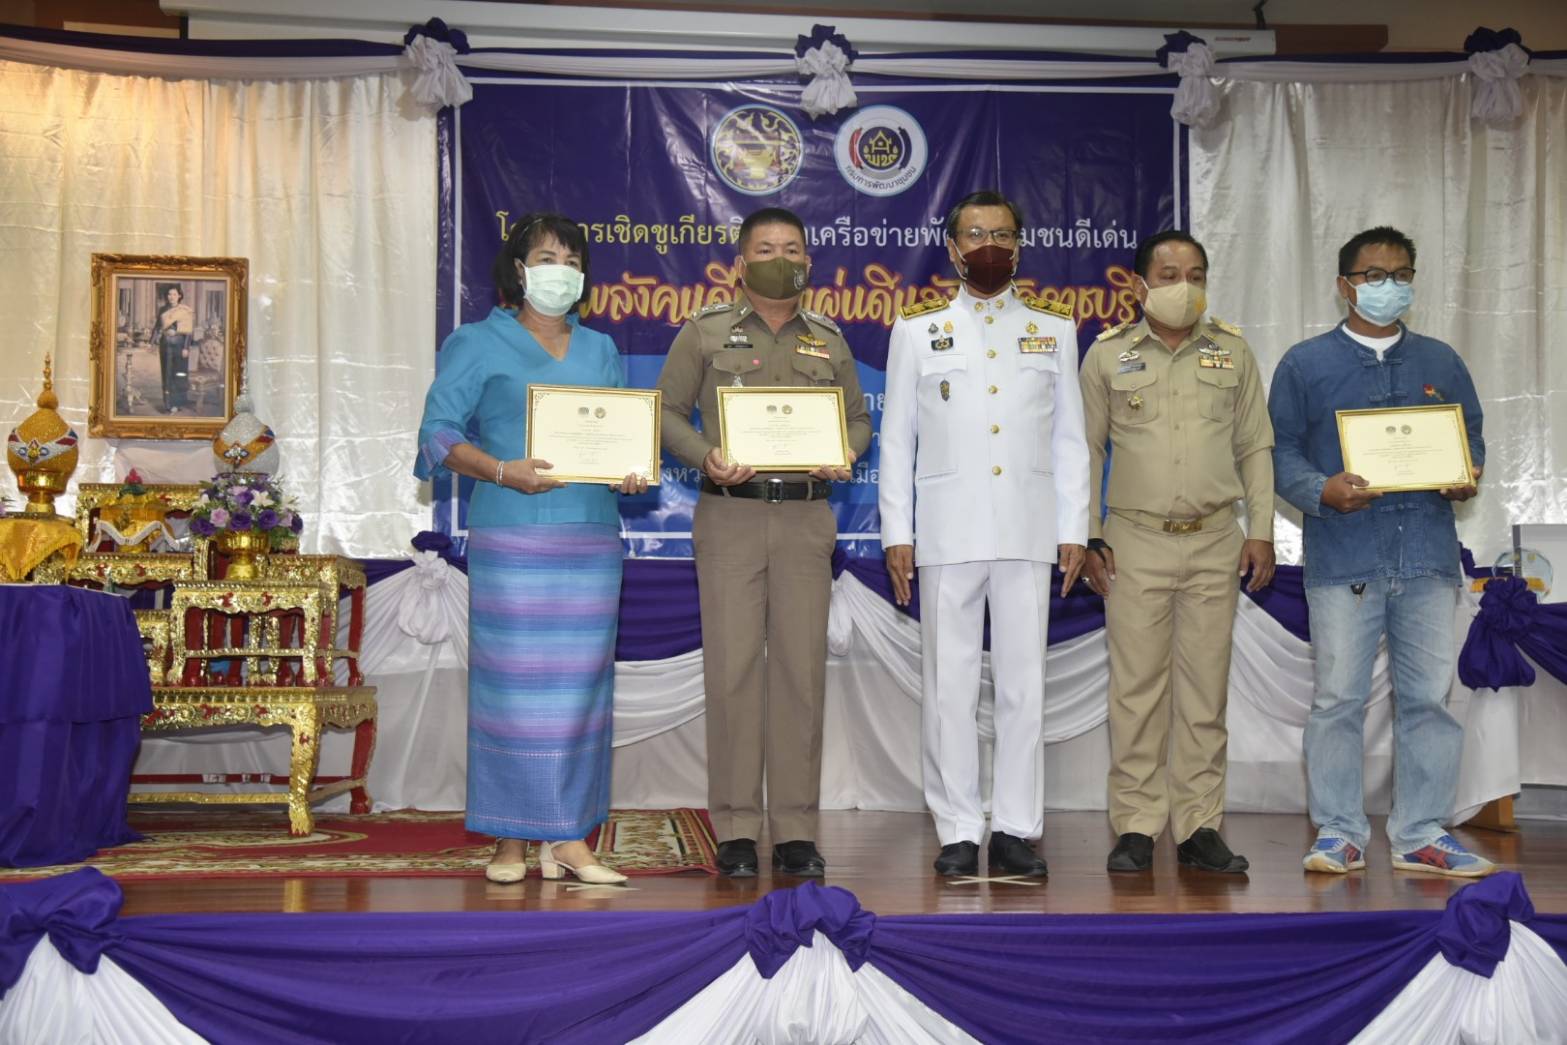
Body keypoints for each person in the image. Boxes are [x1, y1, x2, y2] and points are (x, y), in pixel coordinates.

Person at [414, 212, 647, 885]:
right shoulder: (475, 342)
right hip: (511, 532)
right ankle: (509, 843)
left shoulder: (601, 347)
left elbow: (614, 433)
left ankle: (571, 840)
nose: (560, 270)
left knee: (581, 691)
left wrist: (629, 468)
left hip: (591, 532)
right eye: (546, 256)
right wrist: (500, 469)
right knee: (511, 693)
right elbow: (437, 434)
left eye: (571, 258)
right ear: (519, 269)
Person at [1270, 226, 1495, 878]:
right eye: (1372, 275)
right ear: (1344, 284)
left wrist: (1464, 472)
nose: (1386, 285)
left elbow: (1469, 438)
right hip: (1343, 558)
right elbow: (1278, 451)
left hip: (1424, 553)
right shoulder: (1303, 364)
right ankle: (1339, 831)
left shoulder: (1440, 362)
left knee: (1426, 698)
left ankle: (1421, 832)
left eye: (1399, 273)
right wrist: (1320, 488)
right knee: (1336, 699)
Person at [879, 189, 1089, 878]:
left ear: (1019, 244)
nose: (988, 245)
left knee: (1024, 684)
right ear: (952, 247)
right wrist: (895, 533)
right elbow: (895, 442)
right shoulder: (917, 330)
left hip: (1029, 529)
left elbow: (1069, 440)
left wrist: (1074, 527)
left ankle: (1016, 828)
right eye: (974, 233)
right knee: (950, 684)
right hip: (945, 528)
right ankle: (958, 827)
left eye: (1000, 233)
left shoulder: (1053, 330)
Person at [656, 206, 871, 878]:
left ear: (809, 263)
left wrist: (845, 451)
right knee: (733, 672)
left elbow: (859, 419)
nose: (781, 257)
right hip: (731, 517)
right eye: (766, 247)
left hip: (807, 518)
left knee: (801, 675)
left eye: (793, 248)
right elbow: (664, 410)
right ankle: (739, 828)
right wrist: (704, 454)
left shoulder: (828, 339)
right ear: (740, 263)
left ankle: (797, 831)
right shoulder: (704, 331)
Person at [1081, 230, 1275, 875]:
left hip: (1217, 538)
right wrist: (1088, 534)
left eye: (1194, 273)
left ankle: (1199, 827)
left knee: (1204, 691)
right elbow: (1086, 451)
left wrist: (1263, 530)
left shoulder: (1233, 351)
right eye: (1168, 274)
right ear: (1140, 284)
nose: (1182, 285)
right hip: (1134, 540)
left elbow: (1255, 447)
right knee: (1135, 692)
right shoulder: (1107, 356)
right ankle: (1136, 826)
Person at [154, 284, 195, 413]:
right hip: (165, 345)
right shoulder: (162, 310)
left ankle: (179, 402)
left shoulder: (185, 310)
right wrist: (152, 340)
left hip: (180, 345)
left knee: (179, 374)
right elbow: (157, 327)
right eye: (169, 294)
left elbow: (189, 331)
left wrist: (186, 347)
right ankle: (168, 404)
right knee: (167, 374)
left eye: (174, 294)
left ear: (179, 296)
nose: (171, 297)